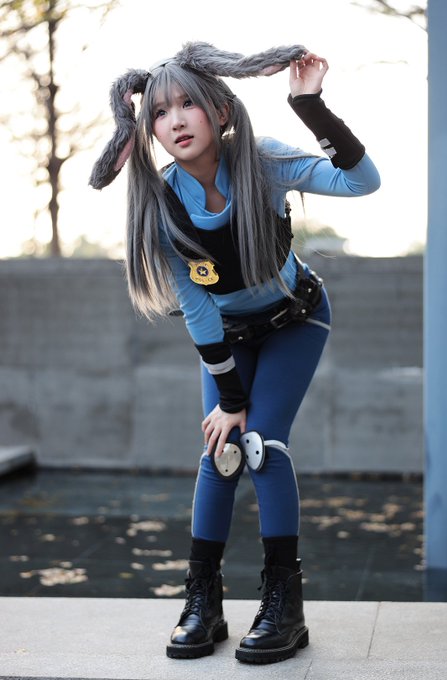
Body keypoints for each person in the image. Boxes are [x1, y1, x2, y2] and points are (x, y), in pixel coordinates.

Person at [90, 41, 380, 665]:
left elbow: (362, 181)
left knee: (262, 447)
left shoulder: (262, 162)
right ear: (149, 131)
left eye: (187, 104)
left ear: (219, 110)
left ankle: (284, 605)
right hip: (228, 338)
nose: (175, 120)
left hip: (295, 320)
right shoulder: (162, 204)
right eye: (159, 112)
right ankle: (204, 602)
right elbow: (198, 312)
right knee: (220, 452)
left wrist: (311, 107)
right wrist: (230, 397)